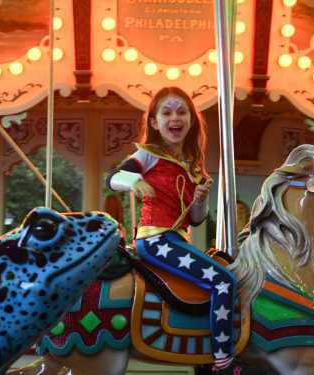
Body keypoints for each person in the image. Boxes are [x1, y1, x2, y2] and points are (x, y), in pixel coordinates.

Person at [106, 86, 236, 371]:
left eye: (181, 112)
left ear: (191, 120)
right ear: (154, 123)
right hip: (155, 240)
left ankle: (197, 348)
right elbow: (114, 178)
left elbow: (197, 219)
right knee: (224, 281)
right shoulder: (149, 155)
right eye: (166, 113)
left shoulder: (194, 167)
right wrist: (134, 181)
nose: (174, 118)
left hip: (177, 239)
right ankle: (223, 356)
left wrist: (200, 200)